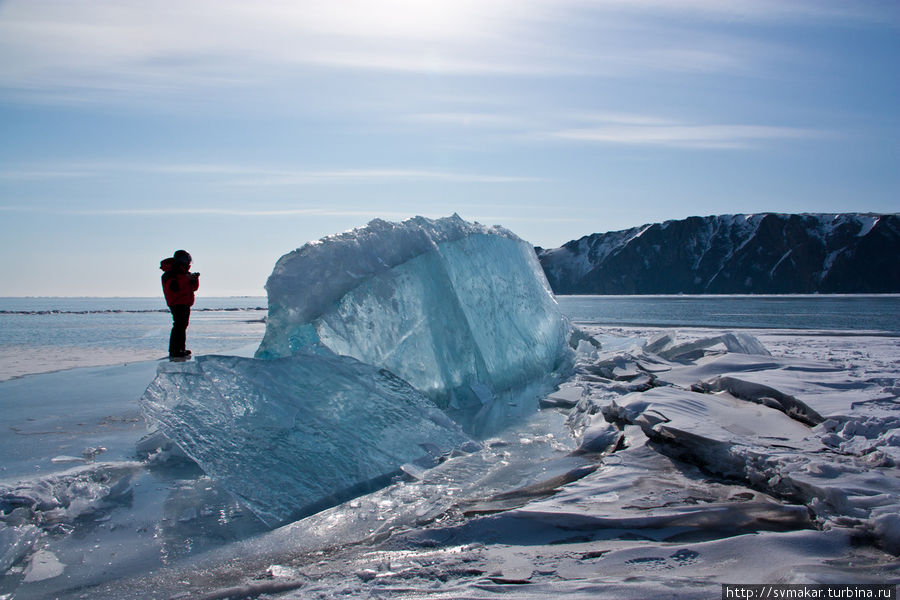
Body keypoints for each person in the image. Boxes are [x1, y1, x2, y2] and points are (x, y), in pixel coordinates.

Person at [160, 250, 200, 359]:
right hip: (177, 303)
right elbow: (174, 287)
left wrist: (194, 280)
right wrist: (186, 279)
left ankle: (181, 348)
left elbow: (193, 288)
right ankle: (174, 350)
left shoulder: (184, 273)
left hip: (185, 302)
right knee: (179, 326)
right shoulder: (170, 273)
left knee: (182, 326)